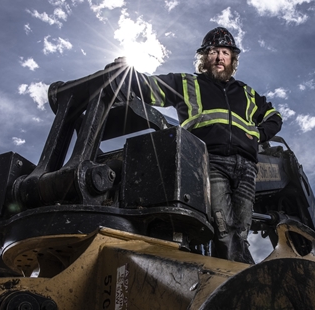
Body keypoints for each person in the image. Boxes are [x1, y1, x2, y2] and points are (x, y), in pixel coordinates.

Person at [119, 27, 283, 264]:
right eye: (214, 51)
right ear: (204, 57)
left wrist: (259, 134)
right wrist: (124, 74)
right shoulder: (187, 84)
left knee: (241, 233)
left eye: (225, 52)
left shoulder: (246, 93)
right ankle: (238, 282)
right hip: (211, 163)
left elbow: (274, 116)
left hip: (247, 168)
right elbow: (150, 86)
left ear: (232, 59)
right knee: (224, 231)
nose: (219, 57)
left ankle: (235, 279)